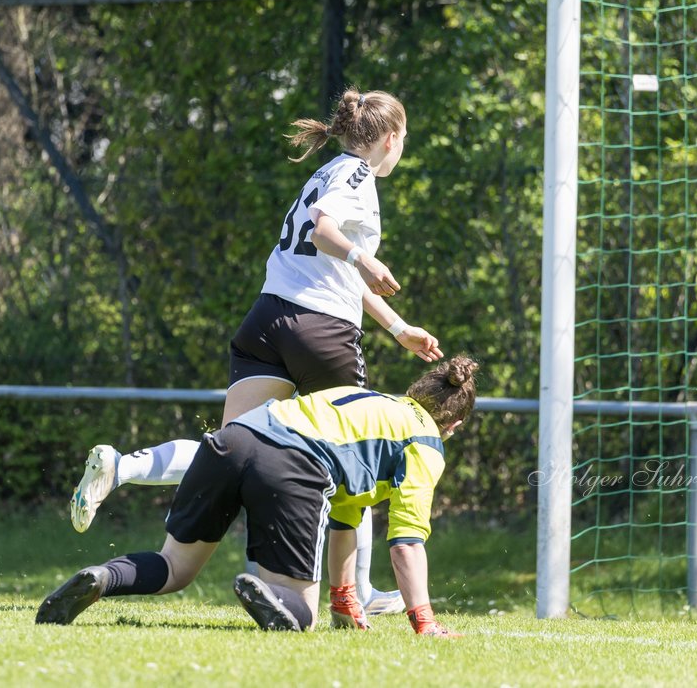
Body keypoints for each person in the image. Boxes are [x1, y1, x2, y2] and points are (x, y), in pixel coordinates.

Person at [70, 88, 441, 614]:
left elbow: (328, 262)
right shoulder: (357, 175)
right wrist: (366, 257)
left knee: (232, 446)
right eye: (404, 140)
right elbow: (326, 232)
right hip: (320, 330)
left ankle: (125, 467)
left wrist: (397, 325)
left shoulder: (327, 171)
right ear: (391, 138)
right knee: (353, 454)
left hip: (267, 319)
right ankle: (351, 593)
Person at [37, 356, 478, 635]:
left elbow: (346, 518)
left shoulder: (372, 404)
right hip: (290, 464)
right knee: (301, 612)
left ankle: (101, 576)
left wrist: (345, 599)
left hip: (235, 438)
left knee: (174, 567)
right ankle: (271, 594)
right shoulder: (424, 441)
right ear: (454, 425)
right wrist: (425, 621)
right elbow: (406, 545)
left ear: (415, 391)